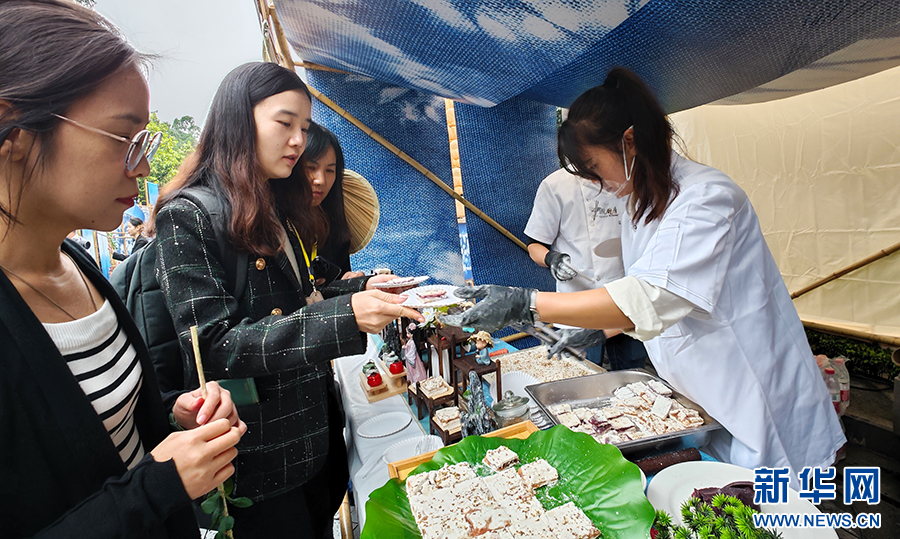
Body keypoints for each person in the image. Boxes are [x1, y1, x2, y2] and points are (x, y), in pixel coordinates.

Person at [442, 67, 845, 486]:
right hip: (705, 397)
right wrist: (602, 329)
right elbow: (649, 296)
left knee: (775, 502)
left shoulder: (707, 198)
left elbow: (652, 295)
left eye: (594, 167)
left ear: (630, 141)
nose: (597, 183)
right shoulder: (641, 207)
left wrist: (526, 304)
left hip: (753, 391)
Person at [0, 2, 246, 537]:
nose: (143, 166)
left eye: (145, 142)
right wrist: (159, 485)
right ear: (12, 130)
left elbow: (107, 430)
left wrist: (172, 412)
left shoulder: (78, 266)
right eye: (124, 139)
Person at [151, 61, 424, 538]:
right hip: (259, 457)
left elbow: (300, 300)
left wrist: (361, 289)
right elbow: (215, 345)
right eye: (285, 123)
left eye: (305, 127)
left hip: (316, 437)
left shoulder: (277, 206)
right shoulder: (189, 215)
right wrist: (346, 316)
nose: (298, 141)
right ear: (239, 120)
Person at [524, 167, 648, 370]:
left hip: (626, 298)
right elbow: (534, 245)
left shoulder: (629, 178)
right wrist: (552, 259)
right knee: (584, 373)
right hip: (579, 304)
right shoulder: (555, 185)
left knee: (633, 370)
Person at [301, 121, 364, 281]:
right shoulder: (272, 227)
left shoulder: (334, 227)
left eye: (330, 170)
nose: (321, 180)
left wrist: (351, 283)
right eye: (311, 167)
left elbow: (340, 280)